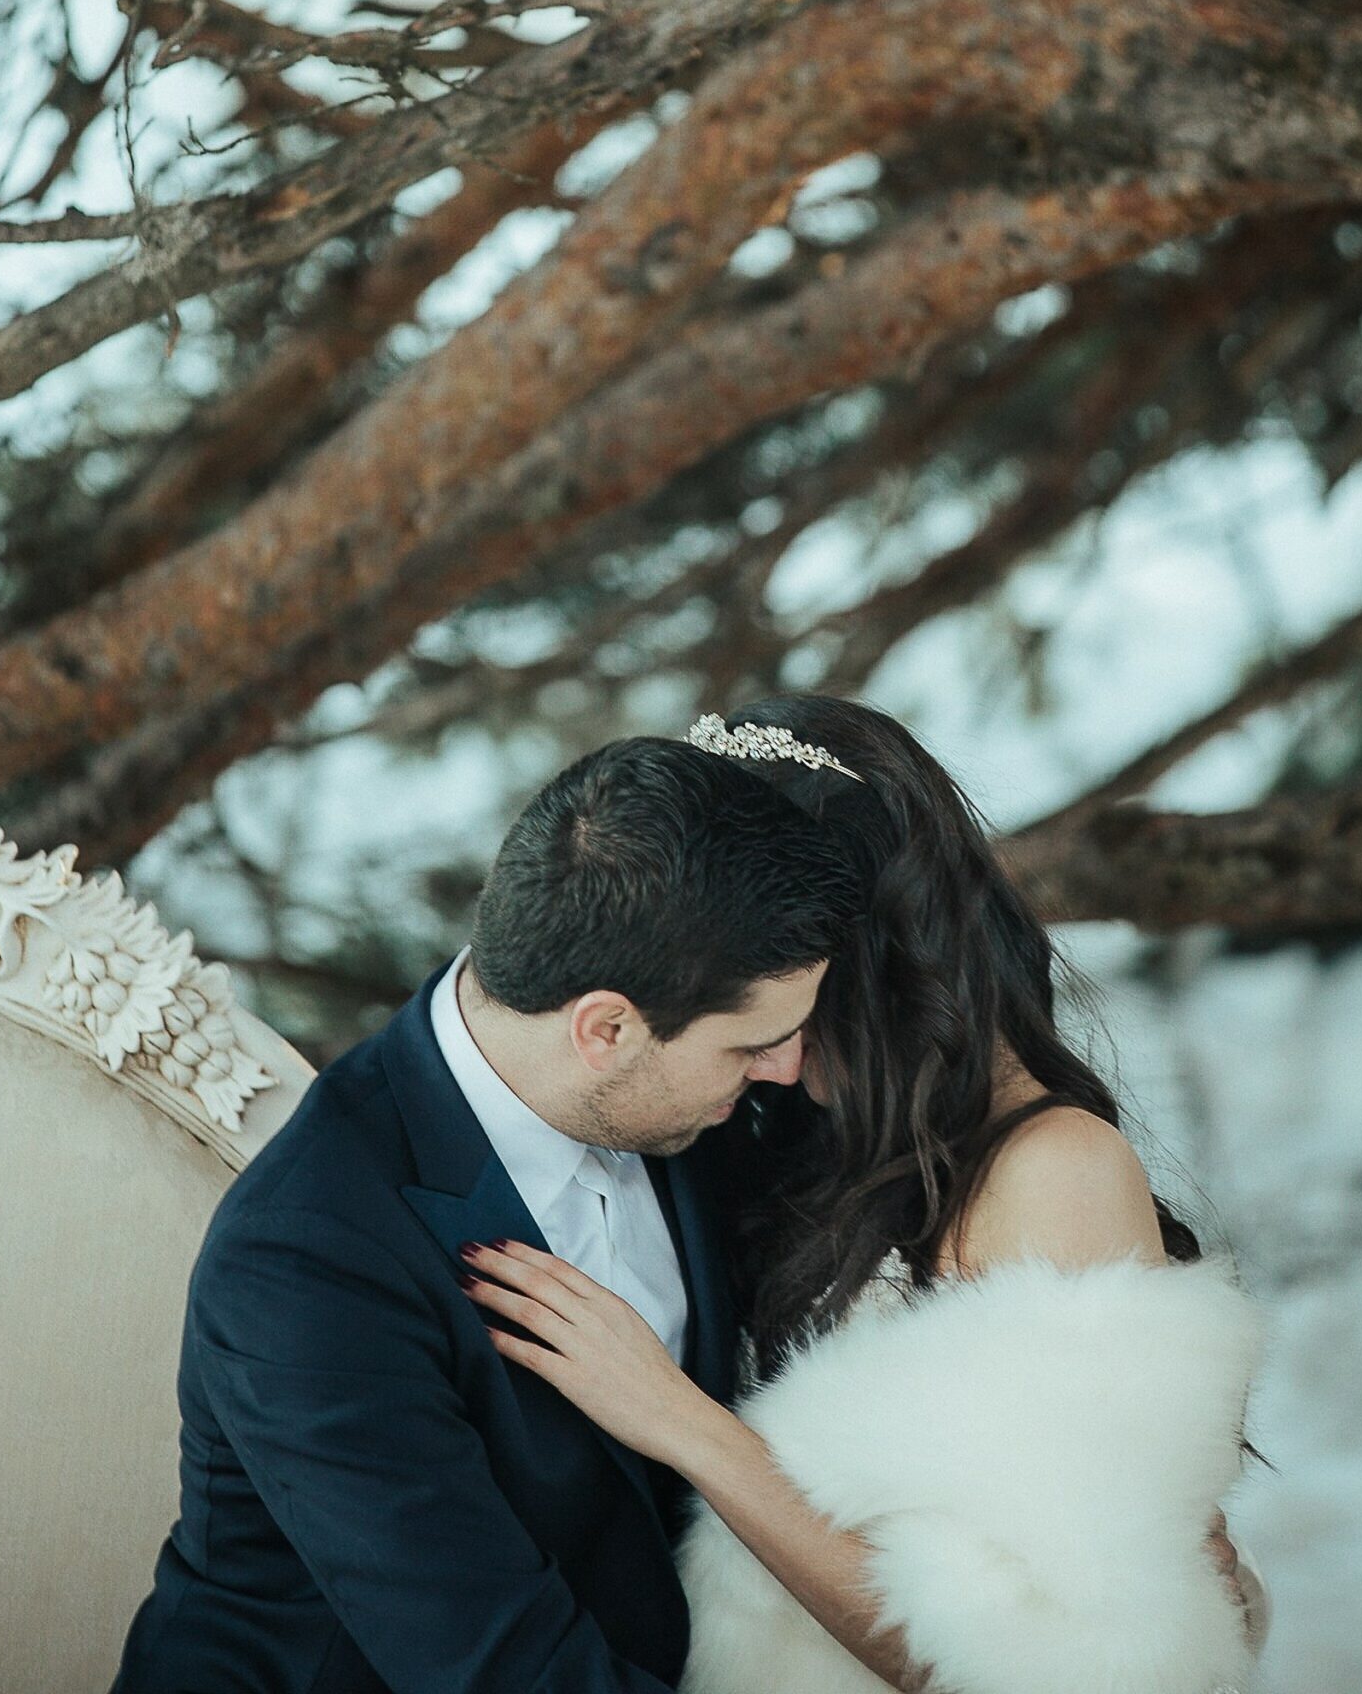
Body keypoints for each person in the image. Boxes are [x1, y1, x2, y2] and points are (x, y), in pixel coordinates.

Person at [462, 698, 1272, 1694]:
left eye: (788, 989)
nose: (769, 1053)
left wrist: (680, 1422)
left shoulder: (1057, 1168)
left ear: (876, 960)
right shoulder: (801, 1138)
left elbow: (1057, 1664)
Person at [110, 736, 864, 1694]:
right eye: (752, 1045)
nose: (786, 1070)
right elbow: (497, 1668)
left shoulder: (676, 1093)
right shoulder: (306, 1258)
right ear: (606, 1028)